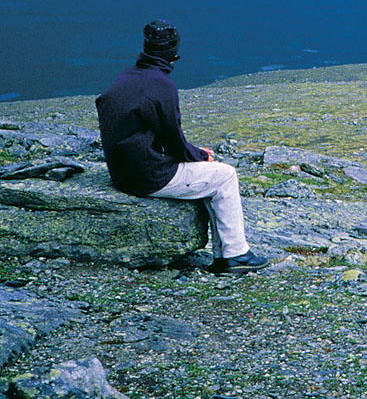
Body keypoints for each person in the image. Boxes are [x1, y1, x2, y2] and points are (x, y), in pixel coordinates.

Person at [95, 20, 267, 274]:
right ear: (172, 52)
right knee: (225, 175)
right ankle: (234, 255)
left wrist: (194, 155)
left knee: (211, 176)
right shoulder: (161, 87)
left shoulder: (127, 77)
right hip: (148, 177)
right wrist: (201, 156)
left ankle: (225, 256)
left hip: (122, 174)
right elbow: (173, 140)